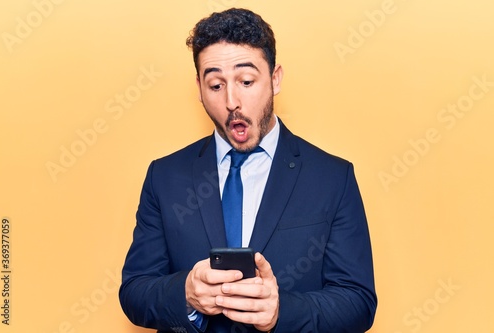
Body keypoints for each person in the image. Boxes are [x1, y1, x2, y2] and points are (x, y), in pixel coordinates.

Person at [119, 8, 377, 333]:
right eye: (215, 85)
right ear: (198, 87)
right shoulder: (165, 176)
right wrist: (184, 293)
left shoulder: (332, 178)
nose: (232, 101)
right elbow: (134, 291)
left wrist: (281, 311)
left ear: (275, 78)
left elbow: (358, 301)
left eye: (246, 81)